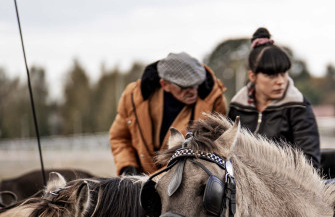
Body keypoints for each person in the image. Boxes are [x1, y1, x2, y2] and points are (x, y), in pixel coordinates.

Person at [109, 52, 226, 177]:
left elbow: (212, 151)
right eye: (184, 87)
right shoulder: (132, 96)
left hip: (183, 185)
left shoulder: (214, 102)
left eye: (196, 84)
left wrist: (158, 179)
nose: (193, 91)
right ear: (165, 85)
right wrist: (128, 166)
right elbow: (119, 138)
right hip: (138, 182)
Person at [227, 28, 320, 171]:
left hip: (285, 187)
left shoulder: (298, 106)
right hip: (243, 185)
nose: (281, 81)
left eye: (283, 74)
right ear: (252, 76)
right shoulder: (237, 107)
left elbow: (309, 163)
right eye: (271, 75)